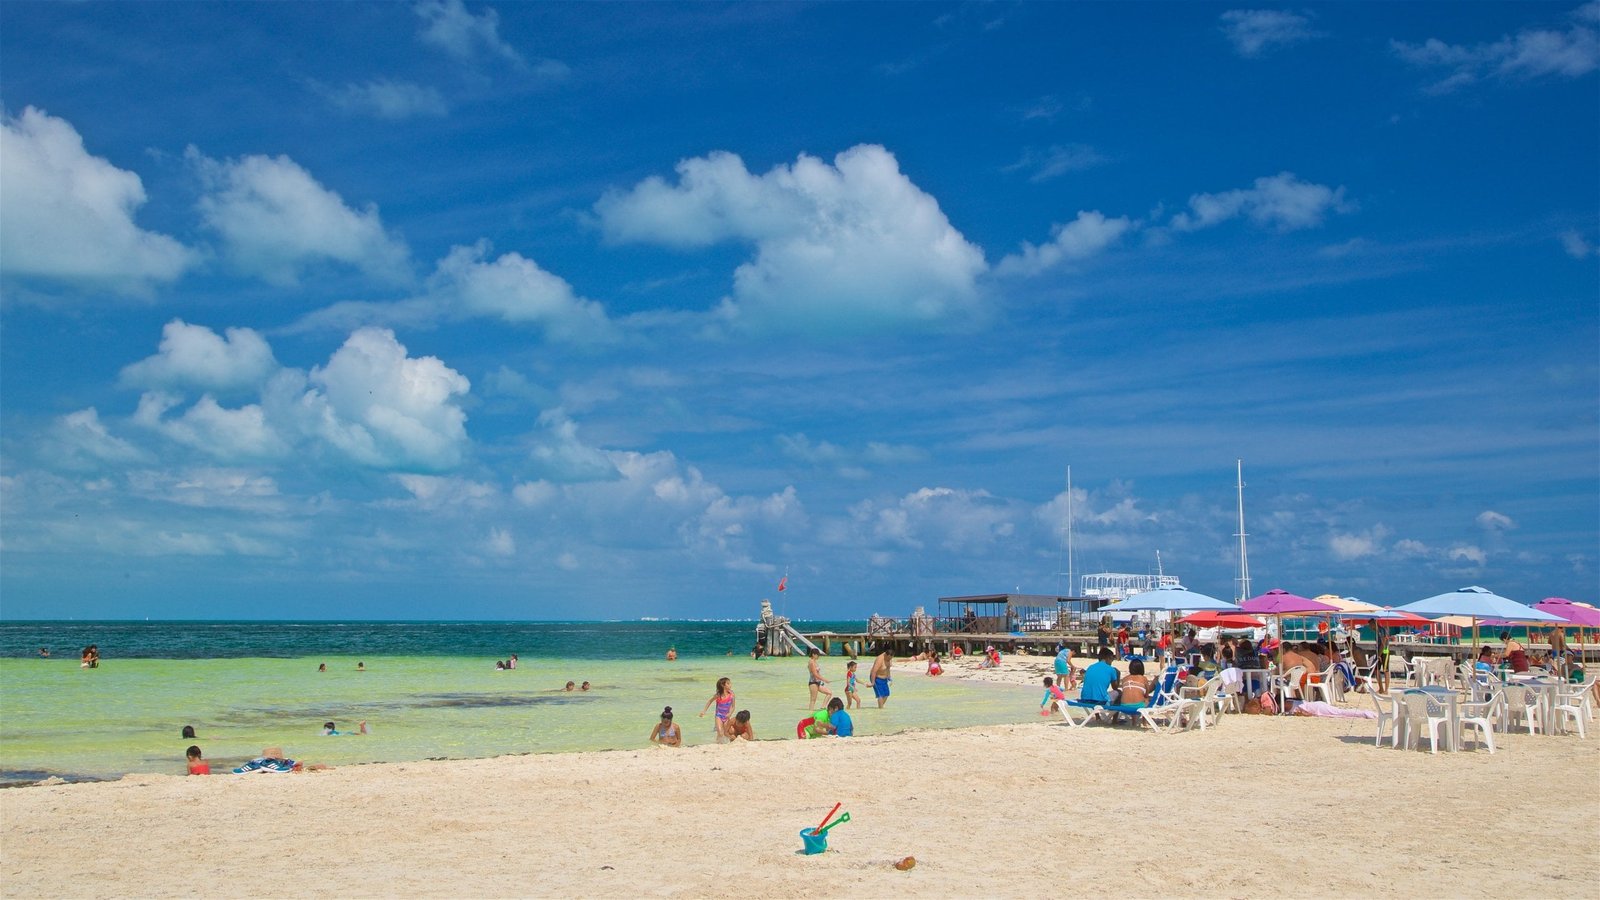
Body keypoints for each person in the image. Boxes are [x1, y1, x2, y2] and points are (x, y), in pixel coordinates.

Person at [699, 676, 735, 741]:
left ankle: (726, 742)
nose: (730, 685)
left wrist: (730, 713)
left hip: (726, 716)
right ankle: (718, 743)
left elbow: (733, 706)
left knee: (727, 732)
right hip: (719, 716)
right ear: (723, 685)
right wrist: (704, 711)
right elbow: (710, 701)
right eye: (728, 683)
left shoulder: (732, 694)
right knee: (720, 733)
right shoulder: (718, 695)